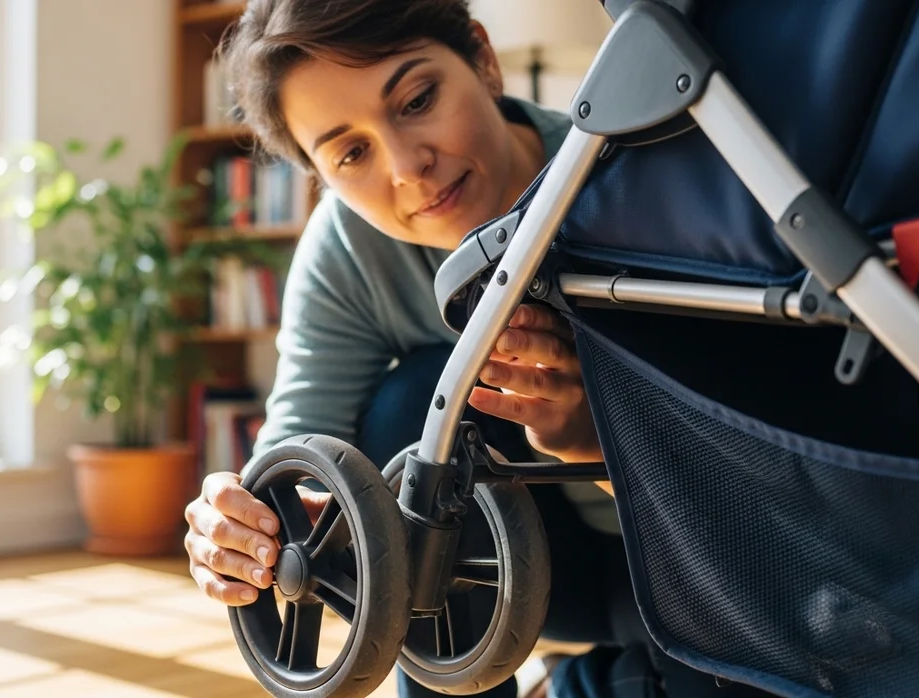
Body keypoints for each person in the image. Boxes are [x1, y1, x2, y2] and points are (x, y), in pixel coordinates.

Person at [182, 1, 773, 696]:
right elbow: (300, 451)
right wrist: (246, 524)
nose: (409, 167)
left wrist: (593, 437)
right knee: (420, 398)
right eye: (351, 153)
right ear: (318, 173)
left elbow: (764, 489)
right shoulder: (349, 249)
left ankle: (596, 681)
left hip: (721, 571)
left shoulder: (643, 184)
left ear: (484, 61)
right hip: (527, 579)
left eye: (417, 100)